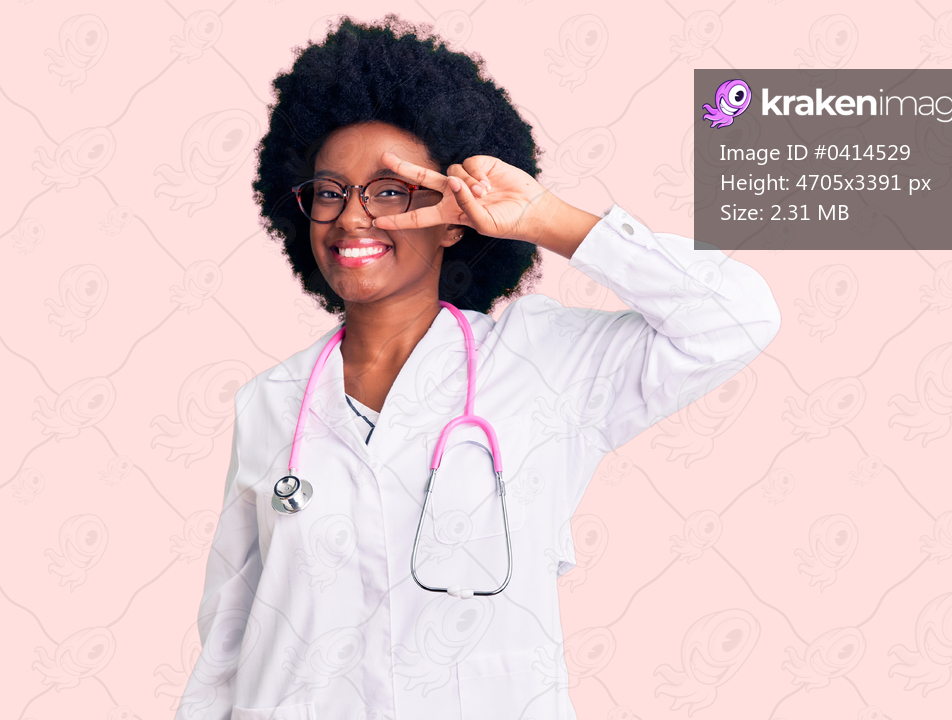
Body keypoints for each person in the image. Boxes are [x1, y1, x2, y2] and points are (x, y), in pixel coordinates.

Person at [175, 14, 781, 720]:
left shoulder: (543, 363)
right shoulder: (270, 402)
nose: (352, 217)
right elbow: (230, 630)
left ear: (454, 217)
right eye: (330, 191)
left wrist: (543, 217)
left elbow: (735, 318)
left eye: (390, 190)